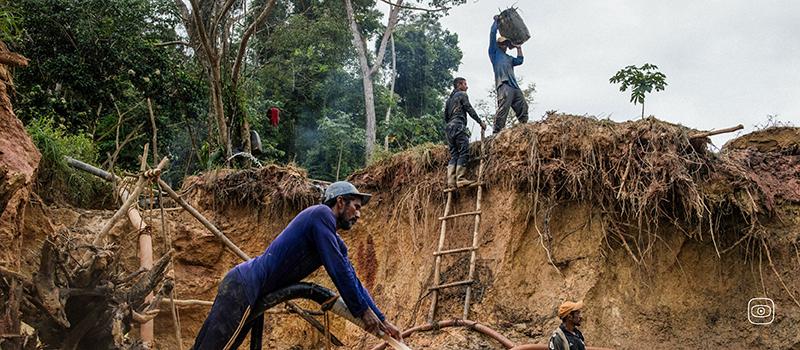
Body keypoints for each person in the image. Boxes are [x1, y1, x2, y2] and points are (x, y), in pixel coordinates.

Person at [191, 181, 402, 349]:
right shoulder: (320, 214)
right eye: (355, 207)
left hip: (248, 289)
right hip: (243, 286)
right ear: (340, 202)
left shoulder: (333, 239)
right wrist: (362, 311)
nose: (358, 214)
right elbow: (338, 271)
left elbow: (351, 278)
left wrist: (382, 320)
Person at [489, 16, 529, 134]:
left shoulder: (509, 58)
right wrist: (496, 22)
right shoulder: (494, 53)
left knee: (523, 106)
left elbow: (520, 60)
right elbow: (492, 34)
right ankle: (496, 133)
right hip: (504, 85)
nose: (504, 46)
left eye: (506, 44)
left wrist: (518, 48)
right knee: (503, 110)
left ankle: (524, 128)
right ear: (498, 45)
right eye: (502, 44)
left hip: (514, 86)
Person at [444, 77, 486, 188]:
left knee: (454, 154)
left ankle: (451, 181)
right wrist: (480, 122)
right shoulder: (462, 95)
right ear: (459, 85)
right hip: (458, 125)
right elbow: (469, 108)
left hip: (448, 129)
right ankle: (460, 179)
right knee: (464, 151)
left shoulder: (449, 100)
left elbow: (446, 117)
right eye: (465, 84)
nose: (467, 87)